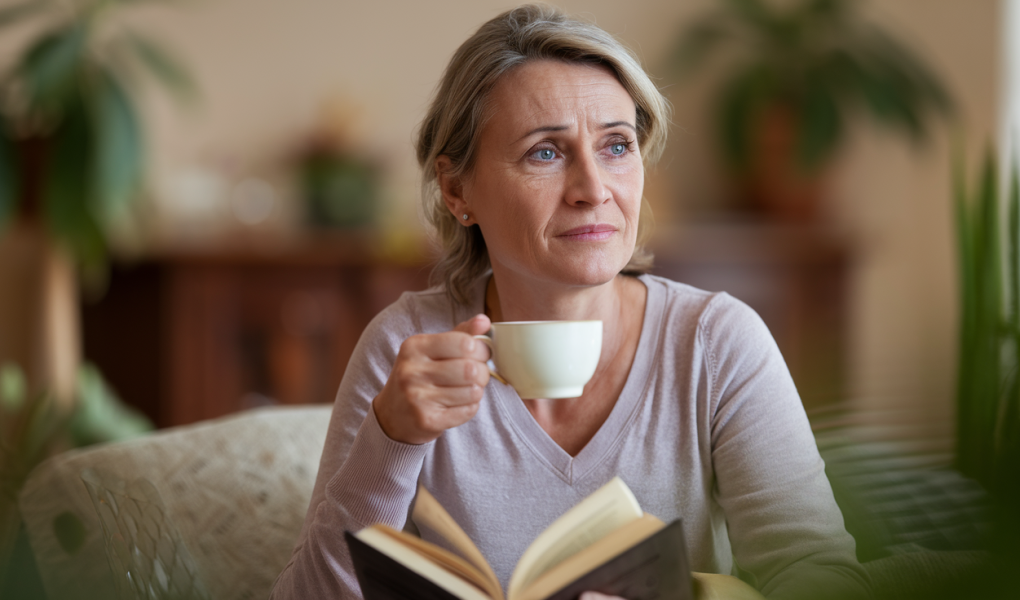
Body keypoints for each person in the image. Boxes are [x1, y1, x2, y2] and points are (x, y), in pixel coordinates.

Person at [271, 5, 871, 600]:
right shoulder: (404, 346)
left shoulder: (715, 342)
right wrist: (392, 439)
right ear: (457, 190)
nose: (593, 190)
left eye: (616, 146)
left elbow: (821, 575)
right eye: (546, 153)